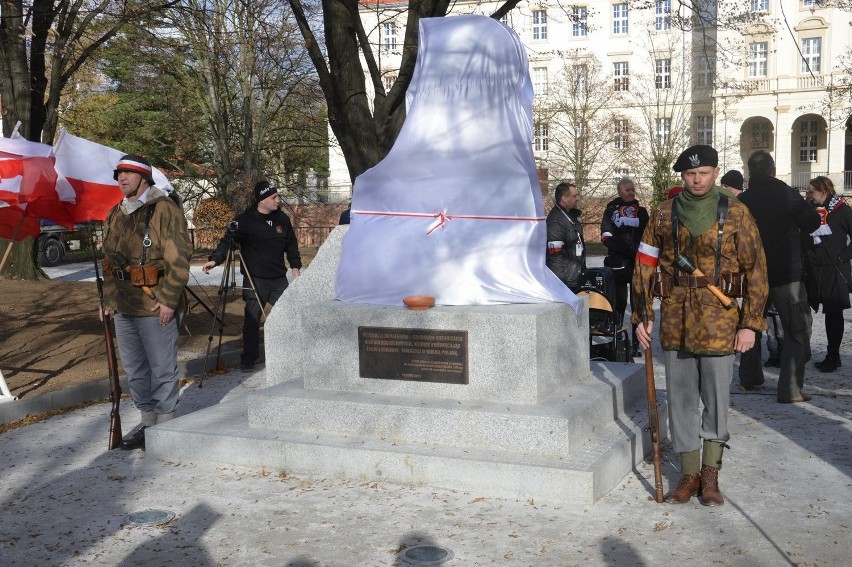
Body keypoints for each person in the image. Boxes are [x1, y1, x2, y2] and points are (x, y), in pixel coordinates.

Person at [632, 144, 768, 506]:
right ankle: (688, 474)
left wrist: (750, 324)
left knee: (717, 399)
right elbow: (645, 265)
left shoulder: (737, 214)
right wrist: (642, 313)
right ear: (682, 176)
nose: (697, 179)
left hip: (721, 321)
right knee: (680, 400)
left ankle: (710, 476)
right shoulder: (662, 215)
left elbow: (756, 270)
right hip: (675, 318)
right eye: (690, 174)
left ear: (715, 171)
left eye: (704, 172)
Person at [101, 155, 192, 450]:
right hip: (124, 305)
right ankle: (148, 424)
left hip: (155, 303)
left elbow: (178, 258)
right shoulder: (116, 213)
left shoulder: (164, 210)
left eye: (128, 173)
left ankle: (166, 427)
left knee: (162, 368)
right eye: (119, 174)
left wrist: (168, 299)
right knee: (136, 370)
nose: (121, 178)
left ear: (144, 178)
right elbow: (110, 263)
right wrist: (107, 299)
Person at [738, 151, 821, 403]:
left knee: (751, 325)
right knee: (797, 330)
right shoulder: (786, 194)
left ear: (750, 173)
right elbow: (813, 223)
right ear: (773, 170)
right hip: (786, 274)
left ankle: (749, 378)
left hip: (753, 276)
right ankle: (790, 389)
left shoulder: (742, 200)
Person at [202, 180, 302, 372]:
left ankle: (294, 352)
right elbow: (226, 242)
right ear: (262, 199)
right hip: (255, 279)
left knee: (292, 313)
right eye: (273, 197)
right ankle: (248, 359)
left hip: (278, 279)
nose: (277, 200)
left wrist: (295, 266)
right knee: (252, 320)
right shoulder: (245, 221)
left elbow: (291, 244)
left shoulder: (282, 219)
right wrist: (215, 260)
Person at [802, 176, 852, 372]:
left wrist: (843, 256)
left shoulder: (842, 210)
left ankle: (833, 356)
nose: (808, 195)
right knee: (806, 310)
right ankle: (802, 352)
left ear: (823, 192)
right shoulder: (810, 211)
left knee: (833, 315)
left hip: (835, 270)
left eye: (811, 192)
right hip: (814, 269)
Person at [601, 177, 649, 357]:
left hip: (637, 264)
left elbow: (648, 234)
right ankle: (619, 339)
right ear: (619, 191)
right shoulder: (610, 211)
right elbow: (606, 237)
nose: (631, 193)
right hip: (618, 264)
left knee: (638, 304)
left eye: (633, 189)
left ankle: (637, 343)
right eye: (627, 190)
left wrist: (638, 253)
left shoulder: (642, 212)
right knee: (619, 303)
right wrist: (627, 250)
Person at [545, 181, 585, 292]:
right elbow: (555, 256)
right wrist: (559, 284)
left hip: (575, 278)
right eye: (574, 196)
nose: (577, 199)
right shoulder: (556, 221)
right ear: (564, 198)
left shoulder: (572, 216)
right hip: (566, 282)